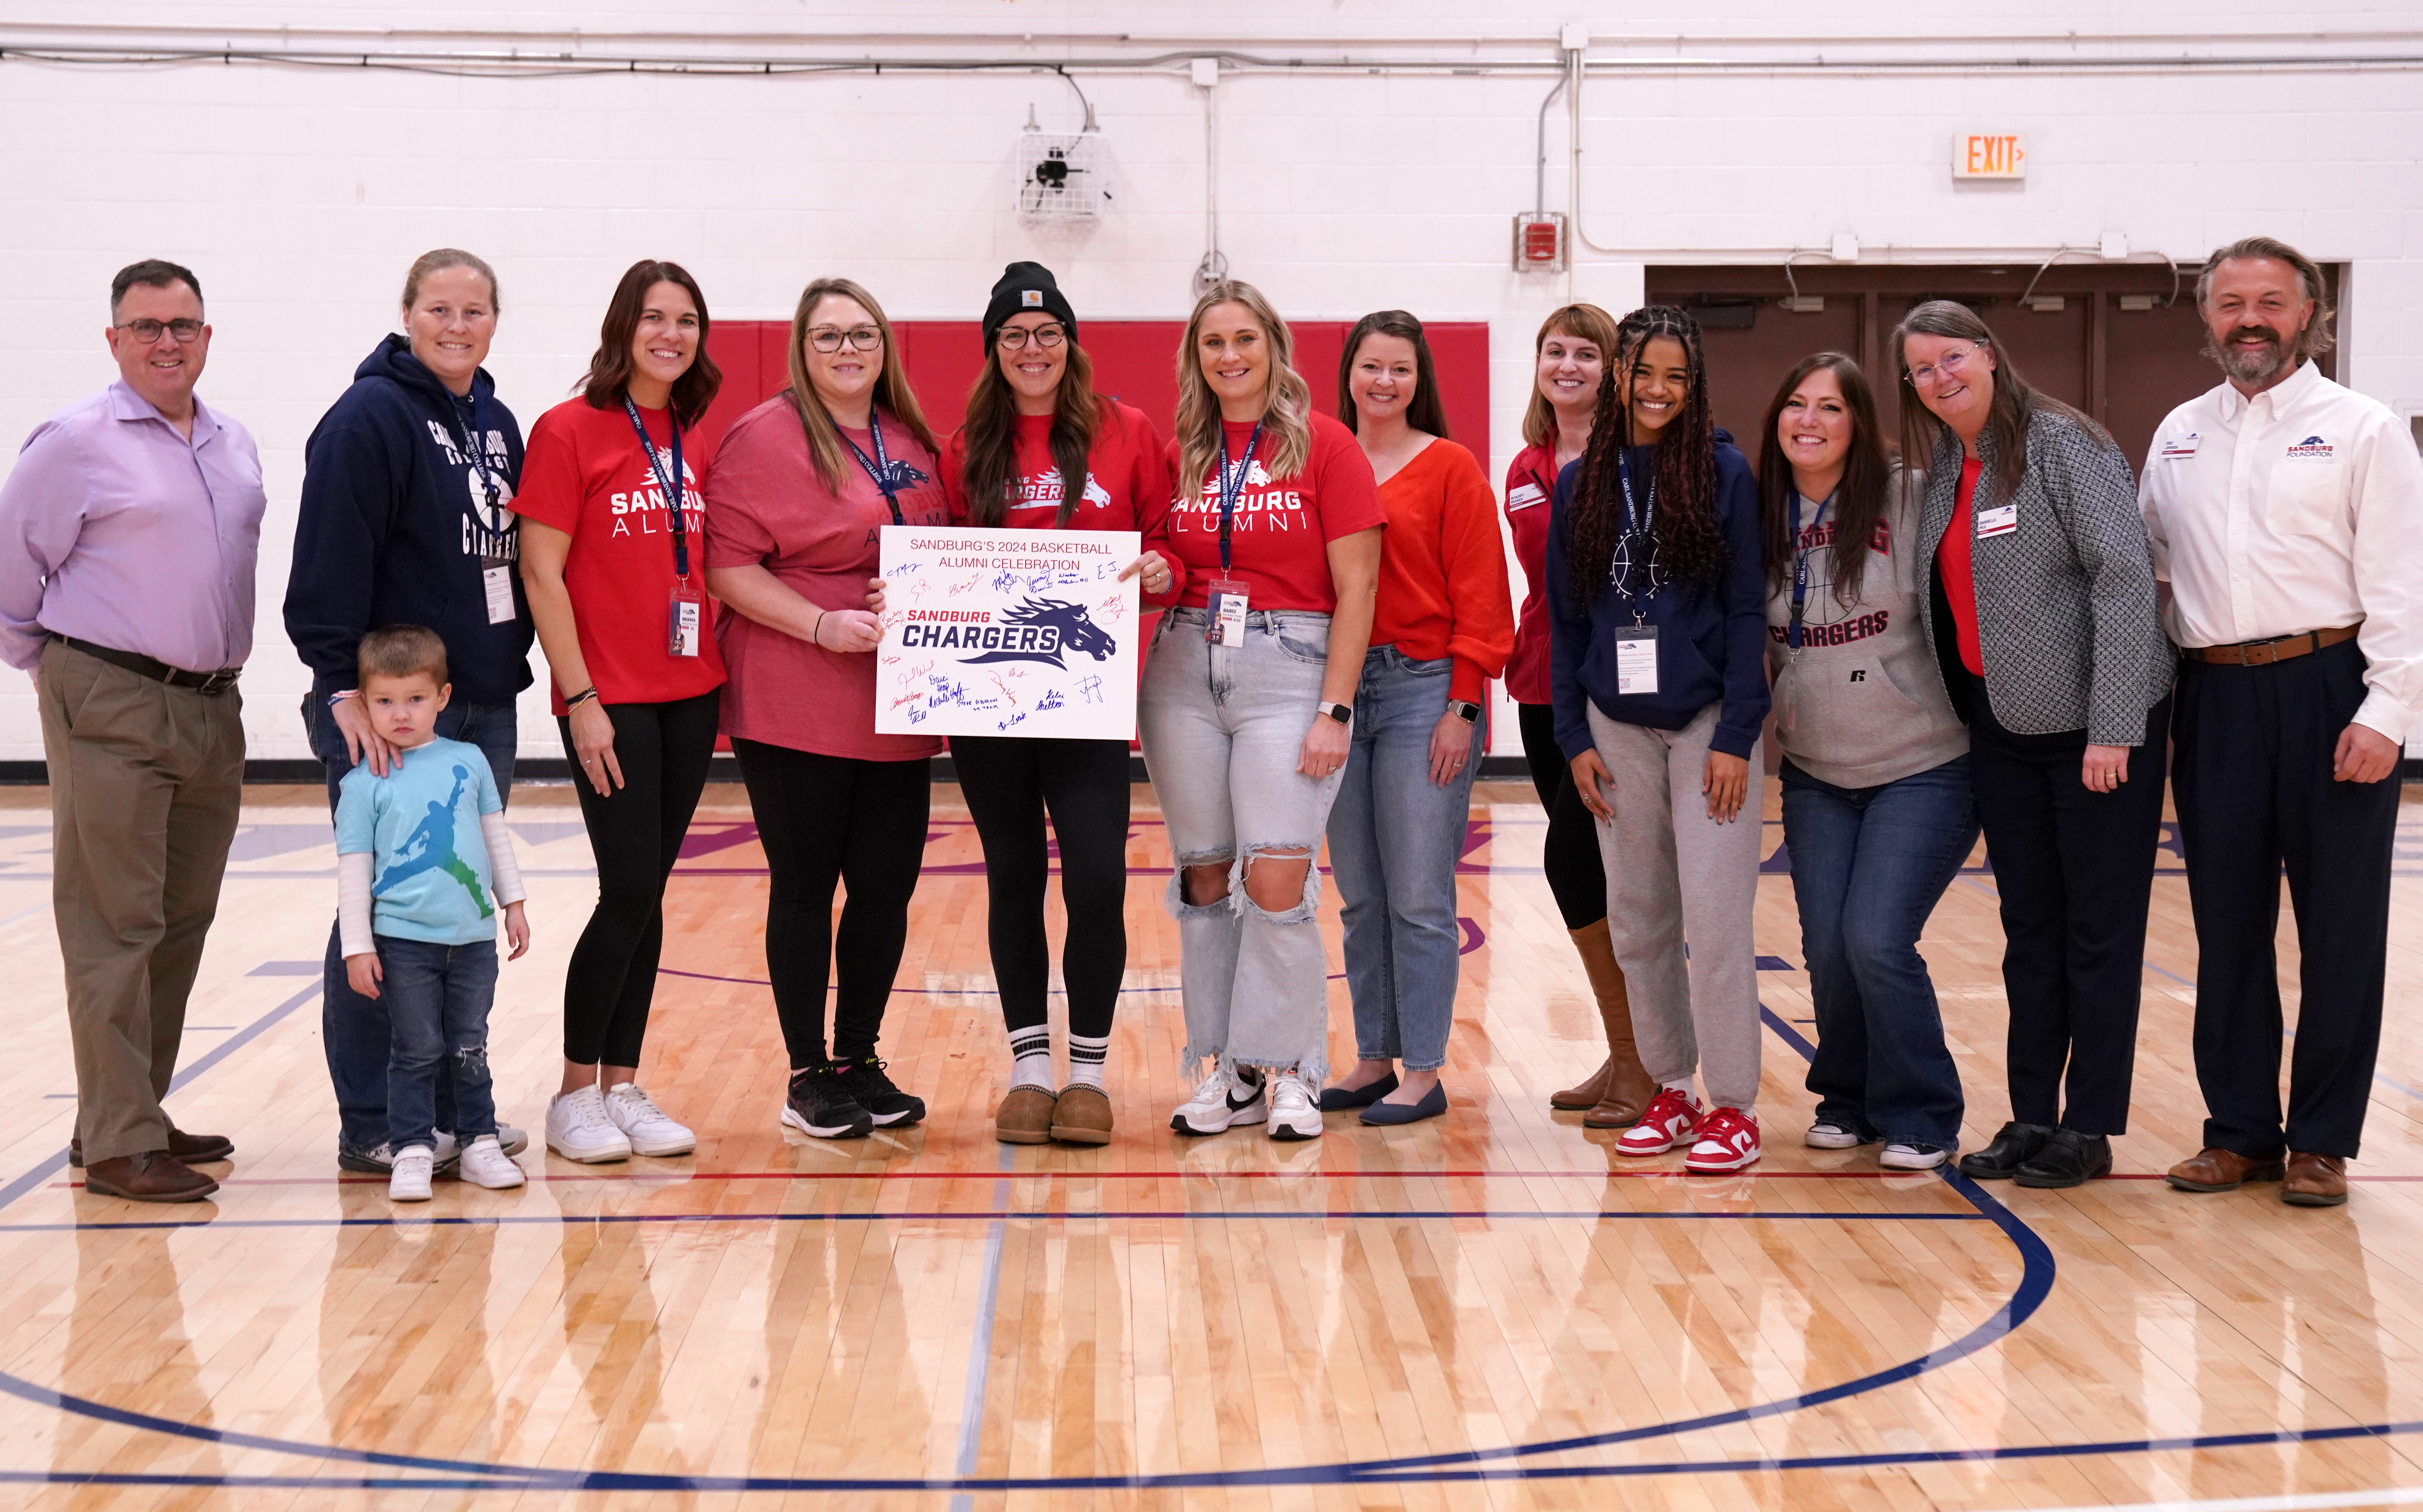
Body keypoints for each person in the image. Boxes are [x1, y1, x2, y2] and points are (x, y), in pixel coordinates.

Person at [2143, 237, 2423, 1208]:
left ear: (2306, 313)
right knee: (2224, 927)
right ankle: (2238, 1134)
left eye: (2267, 300)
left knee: (2337, 928)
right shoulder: (2177, 432)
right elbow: (2145, 573)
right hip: (2213, 694)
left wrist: (2386, 709)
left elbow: (2402, 584)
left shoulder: (2363, 429)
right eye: (2228, 303)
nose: (2247, 318)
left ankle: (2319, 1141)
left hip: (2330, 688)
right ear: (2208, 320)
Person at [1893, 300, 2176, 1190]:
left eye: (1950, 359)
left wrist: (2113, 725)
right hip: (2001, 729)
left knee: (2097, 931)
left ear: (1985, 353)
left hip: (2095, 732)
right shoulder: (1948, 464)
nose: (1940, 379)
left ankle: (2088, 1126)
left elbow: (2124, 578)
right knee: (2029, 931)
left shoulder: (2062, 442)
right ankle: (2029, 1115)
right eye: (1920, 371)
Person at [0, 259, 262, 1203]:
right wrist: (65, 673)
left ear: (206, 335)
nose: (167, 341)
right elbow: (11, 576)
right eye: (147, 326)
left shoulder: (232, 442)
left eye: (183, 324)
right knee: (115, 921)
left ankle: (131, 1110)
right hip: (109, 695)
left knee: (180, 919)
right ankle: (117, 1142)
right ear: (113, 340)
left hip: (212, 704)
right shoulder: (74, 441)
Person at [285, 248, 533, 1176]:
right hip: (384, 715)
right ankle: (373, 1121)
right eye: (439, 307)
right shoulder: (369, 418)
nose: (457, 324)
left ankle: (449, 1112)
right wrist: (339, 686)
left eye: (474, 310)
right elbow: (325, 565)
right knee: (385, 911)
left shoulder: (496, 423)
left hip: (481, 706)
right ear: (407, 313)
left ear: (494, 320)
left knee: (455, 908)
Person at [938, 262, 1182, 1147]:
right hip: (992, 706)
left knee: (1096, 878)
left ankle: (1087, 1073)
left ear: (1068, 343)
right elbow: (948, 561)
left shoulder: (1127, 430)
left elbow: (1165, 540)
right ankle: (1028, 1068)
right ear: (993, 349)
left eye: (1046, 334)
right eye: (1013, 336)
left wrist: (1164, 572)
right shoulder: (968, 443)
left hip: (1085, 700)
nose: (1032, 349)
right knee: (1014, 874)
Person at [1141, 279, 1385, 1142]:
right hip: (1181, 669)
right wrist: (1156, 572)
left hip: (1291, 669)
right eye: (1213, 343)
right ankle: (1225, 1070)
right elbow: (1164, 555)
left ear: (1273, 347)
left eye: (1245, 339)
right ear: (1195, 358)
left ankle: (1288, 1069)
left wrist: (1336, 707)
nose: (1230, 356)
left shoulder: (1325, 447)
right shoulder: (1181, 454)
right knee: (1205, 878)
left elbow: (1357, 588)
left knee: (1275, 876)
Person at [705, 277, 947, 1141]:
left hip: (896, 700)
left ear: (884, 346)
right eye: (827, 337)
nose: (847, 351)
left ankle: (858, 1058)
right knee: (807, 888)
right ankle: (806, 1072)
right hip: (796, 691)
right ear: (801, 352)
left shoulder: (910, 436)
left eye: (862, 335)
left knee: (885, 890)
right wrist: (818, 622)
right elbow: (726, 567)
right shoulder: (762, 437)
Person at [1548, 305, 1771, 1174]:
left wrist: (1738, 733)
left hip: (1711, 724)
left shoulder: (1723, 473)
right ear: (1617, 375)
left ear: (1695, 382)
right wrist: (1573, 735)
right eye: (1644, 372)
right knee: (1639, 920)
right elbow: (1569, 624)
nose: (1658, 390)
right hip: (1614, 729)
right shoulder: (1581, 483)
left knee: (1714, 923)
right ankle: (1671, 1087)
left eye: (1676, 376)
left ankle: (1735, 1107)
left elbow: (1749, 606)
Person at [517, 259, 726, 1165]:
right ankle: (572, 1096)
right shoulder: (568, 430)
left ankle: (621, 1085)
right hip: (613, 700)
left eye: (686, 320)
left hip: (691, 692)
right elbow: (540, 571)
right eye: (654, 318)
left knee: (649, 893)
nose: (670, 335)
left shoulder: (692, 433)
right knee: (628, 887)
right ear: (622, 328)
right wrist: (582, 697)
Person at [1757, 353, 1977, 1170]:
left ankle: (1922, 1108)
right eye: (1795, 404)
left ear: (1858, 424)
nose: (1807, 421)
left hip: (1922, 761)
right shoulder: (1757, 514)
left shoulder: (1907, 497)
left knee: (1876, 938)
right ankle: (1845, 1099)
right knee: (1825, 947)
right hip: (1816, 768)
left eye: (1829, 408)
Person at [1319, 310, 1513, 1126]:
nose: (1383, 382)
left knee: (1419, 895)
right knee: (1360, 895)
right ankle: (1373, 1056)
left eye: (1399, 368)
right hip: (1337, 691)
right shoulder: (1324, 461)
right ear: (1350, 373)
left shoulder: (1449, 467)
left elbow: (1481, 593)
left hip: (1421, 690)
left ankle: (1424, 1069)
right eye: (1371, 366)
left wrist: (1462, 705)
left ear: (1417, 379)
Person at [1504, 303, 1655, 1129]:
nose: (1567, 365)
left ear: (1613, 370)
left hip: (1615, 689)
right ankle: (1624, 1051)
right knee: (1587, 869)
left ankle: (1646, 1060)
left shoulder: (1635, 460)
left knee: (1578, 862)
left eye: (1585, 354)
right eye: (1553, 351)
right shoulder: (1524, 466)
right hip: (1537, 683)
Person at [334, 626, 531, 1201]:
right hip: (402, 943)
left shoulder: (469, 761)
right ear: (364, 702)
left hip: (472, 940)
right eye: (385, 701)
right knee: (415, 1049)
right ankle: (414, 1149)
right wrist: (357, 946)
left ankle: (478, 1143)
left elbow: (494, 836)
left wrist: (512, 904)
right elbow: (353, 873)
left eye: (415, 699)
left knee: (470, 1044)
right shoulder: (362, 782)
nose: (401, 714)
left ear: (442, 698)